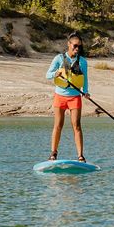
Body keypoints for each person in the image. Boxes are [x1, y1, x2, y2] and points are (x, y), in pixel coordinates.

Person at [46, 33, 100, 162]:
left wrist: (85, 92)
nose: (77, 49)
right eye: (75, 46)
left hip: (75, 97)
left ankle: (80, 156)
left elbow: (85, 78)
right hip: (60, 96)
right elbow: (47, 75)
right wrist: (56, 73)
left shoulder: (82, 61)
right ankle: (53, 153)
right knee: (58, 125)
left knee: (77, 126)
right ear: (68, 44)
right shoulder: (59, 59)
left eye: (79, 47)